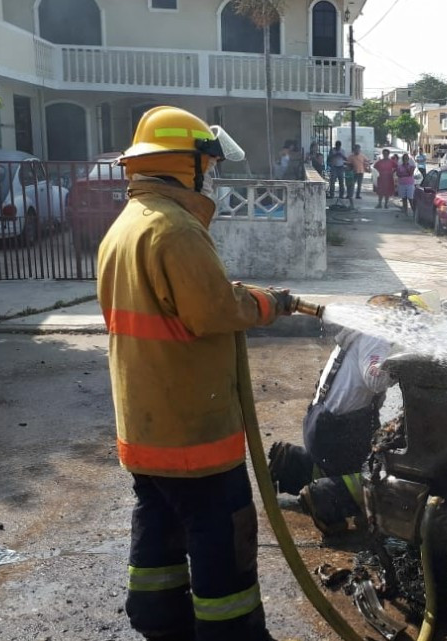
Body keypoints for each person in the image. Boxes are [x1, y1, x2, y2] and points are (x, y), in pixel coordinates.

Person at [97, 106, 296, 641]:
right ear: (185, 164)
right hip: (193, 432)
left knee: (158, 522)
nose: (210, 171)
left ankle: (159, 621)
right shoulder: (175, 229)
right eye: (205, 161)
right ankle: (233, 633)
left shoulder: (125, 226)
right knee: (220, 531)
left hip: (145, 427)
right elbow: (211, 312)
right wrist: (266, 303)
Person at [266, 291, 431, 535]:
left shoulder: (364, 333)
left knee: (348, 462)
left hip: (321, 425)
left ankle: (292, 464)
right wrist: (407, 365)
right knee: (378, 471)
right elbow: (375, 379)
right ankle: (325, 497)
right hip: (336, 432)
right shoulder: (377, 337)